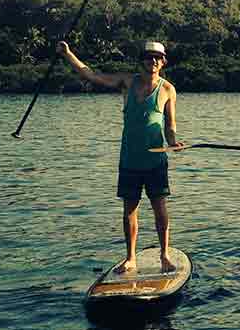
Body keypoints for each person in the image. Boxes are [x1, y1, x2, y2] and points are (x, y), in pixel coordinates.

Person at [56, 40, 184, 273]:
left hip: (156, 160)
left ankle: (165, 255)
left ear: (163, 62)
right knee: (129, 209)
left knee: (160, 208)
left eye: (157, 57)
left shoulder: (168, 89)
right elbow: (91, 75)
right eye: (148, 57)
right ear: (141, 61)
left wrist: (174, 142)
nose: (152, 61)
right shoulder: (127, 81)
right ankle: (130, 258)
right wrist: (68, 54)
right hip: (130, 159)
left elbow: (170, 126)